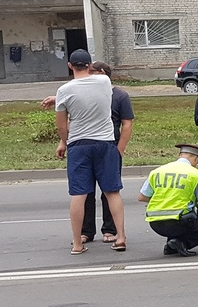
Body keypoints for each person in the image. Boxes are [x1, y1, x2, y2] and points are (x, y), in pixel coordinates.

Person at [42, 61, 134, 243]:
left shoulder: (119, 95)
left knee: (109, 190)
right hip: (87, 144)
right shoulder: (88, 89)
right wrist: (63, 142)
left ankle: (110, 229)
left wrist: (120, 149)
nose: (87, 75)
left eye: (91, 72)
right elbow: (74, 118)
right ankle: (86, 231)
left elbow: (127, 123)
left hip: (109, 147)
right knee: (85, 191)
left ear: (101, 74)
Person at [136, 143, 198, 257]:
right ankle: (182, 243)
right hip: (180, 222)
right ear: (197, 158)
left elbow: (142, 197)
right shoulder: (196, 174)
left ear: (179, 155)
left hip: (155, 223)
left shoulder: (157, 171)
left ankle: (170, 246)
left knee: (176, 213)